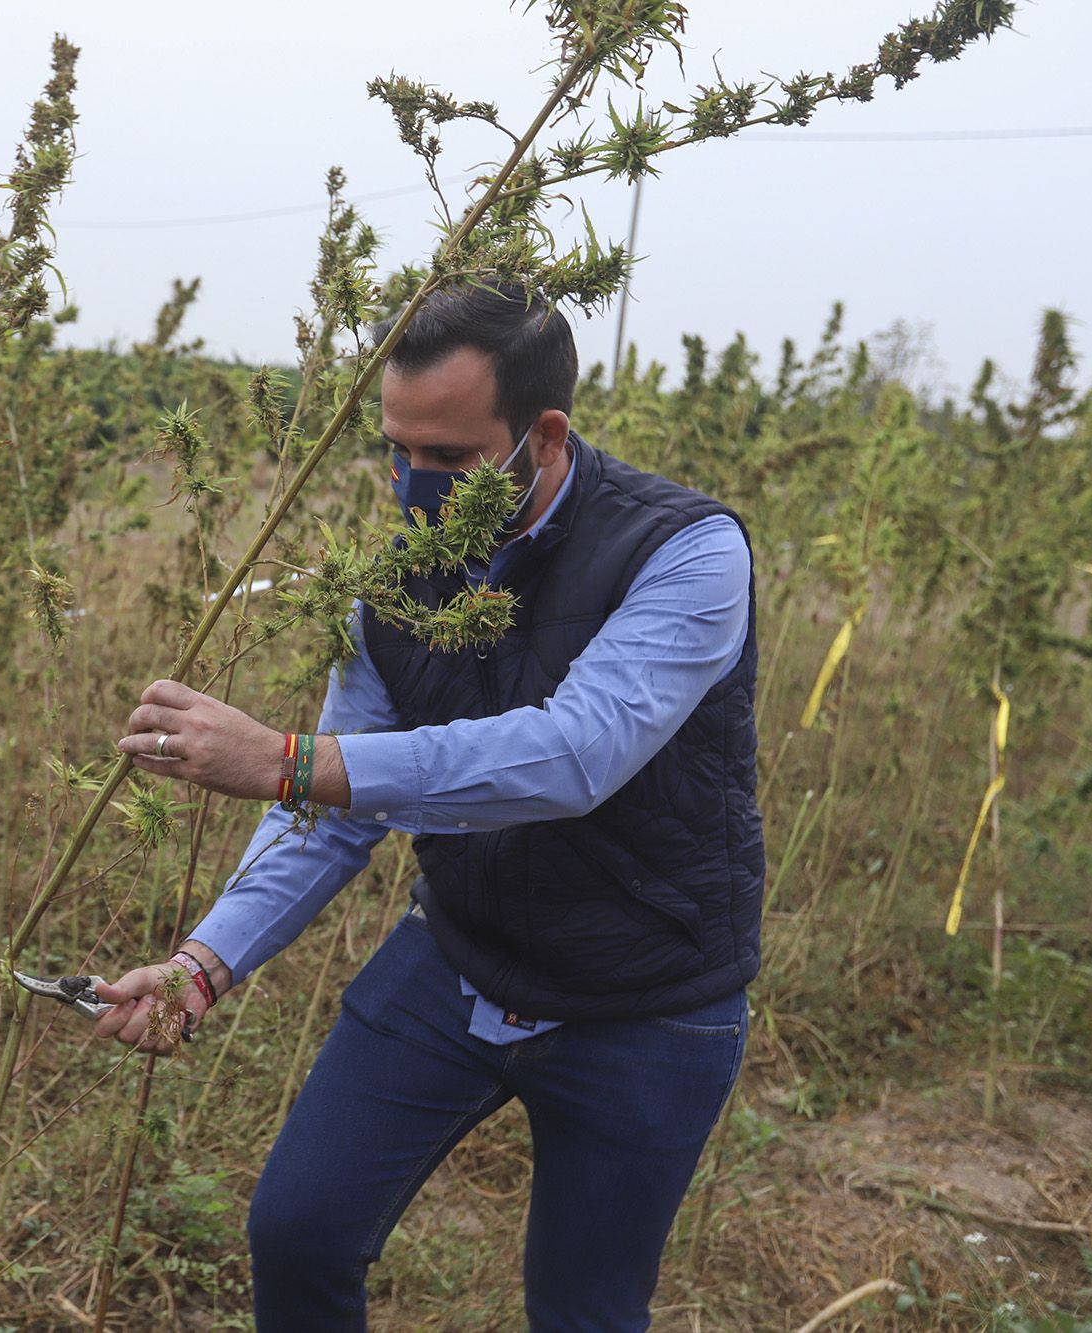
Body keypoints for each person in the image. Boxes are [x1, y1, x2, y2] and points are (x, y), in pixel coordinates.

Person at [93, 279, 764, 1332]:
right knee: (297, 1230)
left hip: (648, 992)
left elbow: (571, 756)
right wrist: (201, 965)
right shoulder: (392, 590)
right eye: (393, 451)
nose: (411, 483)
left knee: (584, 1308)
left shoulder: (683, 554)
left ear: (541, 438)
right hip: (460, 957)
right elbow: (335, 807)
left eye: (446, 460)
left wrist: (280, 756)